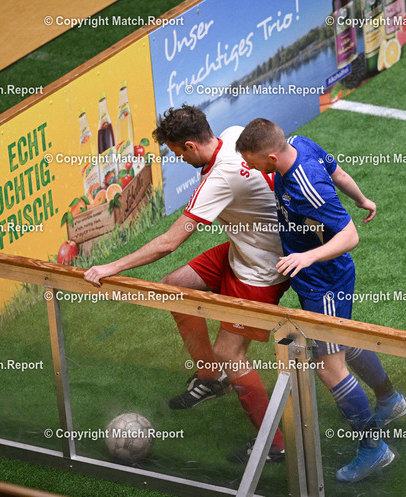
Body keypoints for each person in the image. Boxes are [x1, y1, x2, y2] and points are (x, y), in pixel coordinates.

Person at [85, 105, 291, 462]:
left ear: (192, 146)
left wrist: (111, 266)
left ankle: (275, 445)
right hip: (245, 248)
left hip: (262, 269)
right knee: (175, 287)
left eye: (178, 152)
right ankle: (211, 379)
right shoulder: (233, 134)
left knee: (230, 352)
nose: (179, 159)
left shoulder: (218, 179)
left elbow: (168, 242)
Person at [236, 118, 406, 482]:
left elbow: (350, 236)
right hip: (318, 277)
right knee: (344, 342)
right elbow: (339, 173)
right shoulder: (300, 142)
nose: (249, 166)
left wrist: (307, 257)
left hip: (325, 281)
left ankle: (373, 449)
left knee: (329, 366)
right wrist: (363, 199)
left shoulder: (306, 187)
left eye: (252, 161)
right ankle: (390, 400)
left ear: (271, 157)